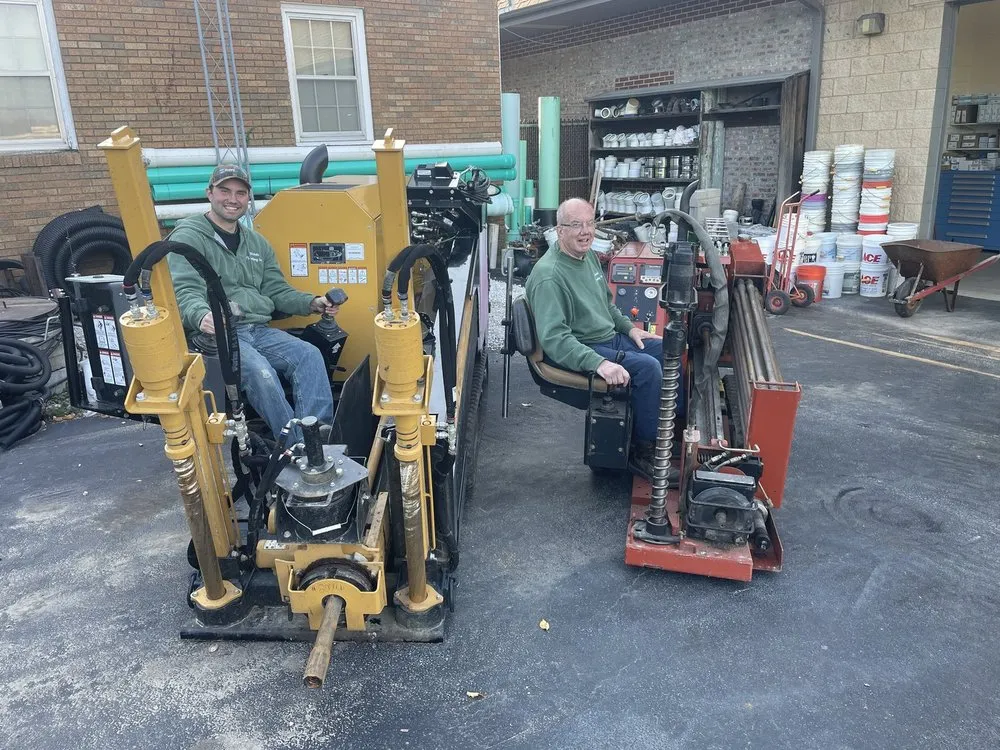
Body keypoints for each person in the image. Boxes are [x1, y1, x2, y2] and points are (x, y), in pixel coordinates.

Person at [166, 164, 337, 439]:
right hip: (220, 335)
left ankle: (316, 437)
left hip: (258, 330)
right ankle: (295, 449)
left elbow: (277, 290)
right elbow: (183, 289)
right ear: (209, 193)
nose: (232, 199)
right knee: (262, 373)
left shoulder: (257, 243)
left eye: (240, 193)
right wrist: (201, 315)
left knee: (309, 356)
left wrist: (312, 303)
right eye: (224, 191)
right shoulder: (189, 237)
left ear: (248, 199)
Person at [524, 197, 678, 482]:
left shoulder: (588, 256)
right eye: (576, 225)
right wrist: (599, 364)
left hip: (610, 337)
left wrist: (629, 328)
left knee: (672, 351)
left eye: (590, 223)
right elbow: (555, 340)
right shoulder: (550, 276)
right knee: (648, 369)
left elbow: (607, 305)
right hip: (582, 348)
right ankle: (643, 451)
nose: (585, 232)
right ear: (560, 231)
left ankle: (668, 433)